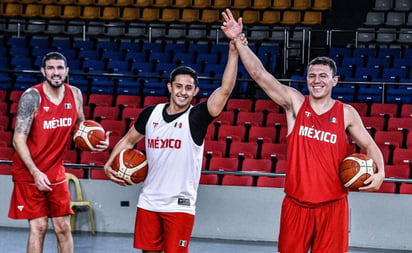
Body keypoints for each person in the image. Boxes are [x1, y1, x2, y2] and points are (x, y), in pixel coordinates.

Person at [221, 9, 385, 253]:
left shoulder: (346, 113)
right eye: (312, 76)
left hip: (333, 206)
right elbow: (260, 75)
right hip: (296, 205)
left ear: (334, 81)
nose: (316, 80)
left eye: (323, 76)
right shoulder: (295, 104)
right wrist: (238, 41)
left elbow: (370, 146)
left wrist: (381, 171)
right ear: (306, 79)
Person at [103, 40, 239, 253]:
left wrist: (233, 53)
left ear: (195, 91)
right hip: (148, 200)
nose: (183, 92)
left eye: (188, 88)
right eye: (179, 86)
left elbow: (225, 90)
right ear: (170, 87)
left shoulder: (196, 117)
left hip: (180, 205)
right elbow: (129, 140)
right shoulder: (151, 113)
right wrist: (108, 164)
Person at [8, 52, 109, 253]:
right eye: (51, 68)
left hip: (56, 171)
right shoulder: (32, 97)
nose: (56, 72)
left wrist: (95, 142)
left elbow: (80, 129)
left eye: (60, 68)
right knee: (39, 227)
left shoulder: (76, 94)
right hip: (29, 172)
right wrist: (36, 173)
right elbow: (18, 139)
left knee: (63, 228)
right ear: (43, 71)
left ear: (67, 71)